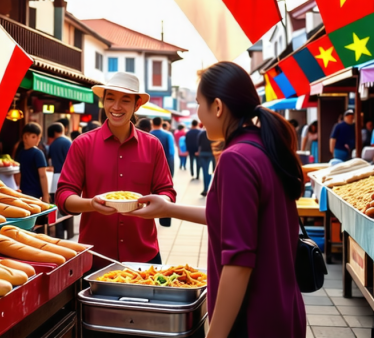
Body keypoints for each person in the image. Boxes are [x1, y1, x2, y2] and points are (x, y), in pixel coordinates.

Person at [128, 62, 305, 338]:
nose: (198, 113)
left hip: (253, 318)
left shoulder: (236, 159)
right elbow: (227, 216)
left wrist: (216, 334)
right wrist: (168, 209)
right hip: (283, 309)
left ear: (218, 107)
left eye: (200, 104)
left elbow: (239, 261)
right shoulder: (263, 148)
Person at [56, 72, 176, 269]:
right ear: (103, 102)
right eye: (110, 98)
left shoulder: (153, 145)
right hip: (95, 255)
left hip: (144, 255)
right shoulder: (82, 144)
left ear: (137, 105)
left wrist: (160, 203)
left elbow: (167, 192)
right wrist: (92, 204)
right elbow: (63, 196)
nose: (116, 107)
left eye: (125, 100)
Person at [14, 123, 49, 203]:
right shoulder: (23, 153)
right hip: (26, 194)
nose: (38, 139)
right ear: (25, 137)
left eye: (39, 137)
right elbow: (42, 175)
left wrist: (45, 196)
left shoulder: (37, 153)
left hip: (33, 194)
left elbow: (43, 175)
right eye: (34, 137)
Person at [47, 123, 71, 196]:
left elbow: (50, 159)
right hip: (67, 175)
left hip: (56, 175)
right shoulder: (68, 142)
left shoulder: (52, 144)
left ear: (54, 132)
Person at [197, 129, 214, 196]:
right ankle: (208, 188)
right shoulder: (213, 133)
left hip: (203, 153)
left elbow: (198, 144)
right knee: (209, 172)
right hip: (211, 154)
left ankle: (205, 189)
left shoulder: (201, 133)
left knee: (205, 171)